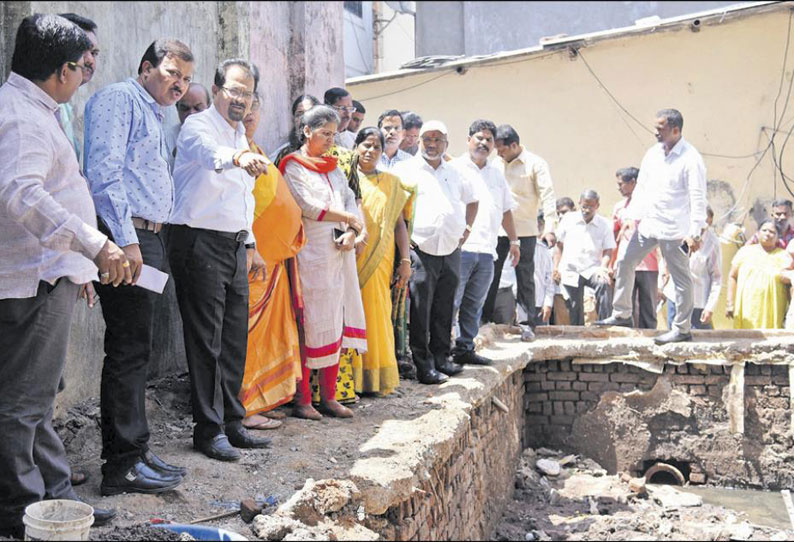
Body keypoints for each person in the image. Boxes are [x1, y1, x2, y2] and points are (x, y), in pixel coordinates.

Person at [0, 14, 125, 536]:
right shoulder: (22, 117)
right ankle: (23, 511)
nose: (86, 73)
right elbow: (23, 195)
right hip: (33, 280)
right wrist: (94, 244)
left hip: (53, 273)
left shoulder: (37, 109)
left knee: (37, 400)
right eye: (83, 65)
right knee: (21, 406)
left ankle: (55, 494)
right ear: (63, 69)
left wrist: (80, 266)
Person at [84, 38, 194, 494]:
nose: (180, 85)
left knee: (139, 348)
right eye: (172, 74)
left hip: (148, 236)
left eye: (186, 79)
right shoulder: (119, 99)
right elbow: (103, 172)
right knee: (128, 350)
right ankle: (121, 466)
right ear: (146, 66)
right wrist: (127, 241)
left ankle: (137, 451)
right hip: (127, 235)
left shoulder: (153, 111)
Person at [169, 59, 271, 461]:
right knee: (206, 341)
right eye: (234, 91)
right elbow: (211, 154)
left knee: (232, 339)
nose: (240, 101)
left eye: (247, 94)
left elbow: (240, 198)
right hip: (198, 240)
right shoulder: (199, 126)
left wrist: (250, 243)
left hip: (233, 244)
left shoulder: (239, 134)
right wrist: (236, 158)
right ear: (216, 90)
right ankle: (208, 431)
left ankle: (232, 421)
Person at [280, 105, 368, 418]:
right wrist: (346, 218)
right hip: (311, 254)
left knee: (335, 320)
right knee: (310, 322)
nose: (330, 139)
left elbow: (349, 199)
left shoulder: (333, 167)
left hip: (339, 251)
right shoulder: (293, 166)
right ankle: (303, 400)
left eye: (333, 134)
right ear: (306, 131)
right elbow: (307, 205)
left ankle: (329, 397)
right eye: (324, 133)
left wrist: (354, 231)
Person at [596, 108, 708, 345]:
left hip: (675, 230)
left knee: (681, 279)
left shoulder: (690, 158)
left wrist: (695, 233)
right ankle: (622, 314)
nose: (656, 133)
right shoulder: (653, 155)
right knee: (625, 262)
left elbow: (698, 198)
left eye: (661, 128)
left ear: (675, 130)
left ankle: (682, 328)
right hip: (649, 225)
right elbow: (642, 189)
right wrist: (630, 217)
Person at [394, 120, 479, 384]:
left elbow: (473, 201)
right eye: (427, 139)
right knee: (421, 310)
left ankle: (443, 359)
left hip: (451, 248)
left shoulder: (455, 171)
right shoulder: (404, 169)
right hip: (420, 248)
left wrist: (465, 230)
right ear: (419, 141)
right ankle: (424, 366)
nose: (432, 144)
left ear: (446, 143)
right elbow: (396, 211)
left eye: (438, 139)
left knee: (445, 307)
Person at [239, 92, 305, 430]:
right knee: (249, 337)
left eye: (255, 109)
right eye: (244, 109)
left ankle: (264, 398)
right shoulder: (235, 153)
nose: (250, 115)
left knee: (269, 336)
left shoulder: (258, 150)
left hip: (273, 263)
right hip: (253, 260)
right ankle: (247, 406)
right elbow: (238, 208)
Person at [348, 127, 414, 394]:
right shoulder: (345, 179)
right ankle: (348, 380)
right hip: (350, 257)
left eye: (376, 146)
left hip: (380, 260)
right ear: (355, 146)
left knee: (376, 314)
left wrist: (406, 260)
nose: (370, 151)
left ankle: (375, 380)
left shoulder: (391, 182)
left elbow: (399, 225)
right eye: (366, 144)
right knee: (352, 314)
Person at [452, 119, 519, 366]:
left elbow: (506, 210)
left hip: (487, 250)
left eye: (489, 140)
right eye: (479, 138)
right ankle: (443, 351)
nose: (483, 143)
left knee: (474, 304)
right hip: (460, 249)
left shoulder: (496, 173)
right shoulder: (454, 168)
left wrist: (514, 241)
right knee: (451, 302)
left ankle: (465, 348)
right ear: (468, 140)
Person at [483, 124, 557, 342]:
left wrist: (550, 226)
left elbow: (548, 194)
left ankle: (527, 325)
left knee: (525, 276)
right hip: (497, 229)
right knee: (490, 274)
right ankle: (484, 321)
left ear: (513, 145)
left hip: (524, 230)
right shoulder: (494, 164)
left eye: (502, 149)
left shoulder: (535, 164)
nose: (498, 153)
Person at [553, 190, 615, 326]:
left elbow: (608, 249)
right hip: (571, 269)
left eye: (590, 207)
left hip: (593, 269)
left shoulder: (605, 224)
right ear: (579, 203)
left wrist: (603, 268)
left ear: (597, 206)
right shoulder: (568, 220)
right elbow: (559, 245)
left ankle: (605, 324)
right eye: (584, 206)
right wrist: (556, 267)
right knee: (575, 306)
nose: (586, 210)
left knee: (603, 283)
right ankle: (577, 333)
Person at [610, 166, 660, 329]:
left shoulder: (650, 206)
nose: (618, 188)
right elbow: (614, 238)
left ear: (633, 183)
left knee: (648, 309)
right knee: (624, 310)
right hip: (625, 264)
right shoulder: (619, 207)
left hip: (649, 264)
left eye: (621, 184)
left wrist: (664, 266)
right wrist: (612, 264)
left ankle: (650, 345)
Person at [726, 219, 793, 329]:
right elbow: (732, 276)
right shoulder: (745, 252)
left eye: (772, 232)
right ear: (757, 233)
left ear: (778, 237)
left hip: (773, 311)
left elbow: (790, 283)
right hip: (747, 310)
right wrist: (730, 303)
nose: (768, 234)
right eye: (764, 230)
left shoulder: (784, 256)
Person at [664, 206, 721, 330]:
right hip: (675, 297)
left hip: (697, 302)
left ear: (709, 222)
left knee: (700, 343)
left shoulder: (712, 243)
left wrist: (710, 307)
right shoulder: (680, 233)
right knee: (674, 341)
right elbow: (667, 258)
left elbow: (717, 277)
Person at [56, 13, 99, 164]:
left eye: (94, 53)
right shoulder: (36, 105)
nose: (90, 60)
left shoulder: (65, 106)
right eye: (83, 50)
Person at [272, 94, 320, 161]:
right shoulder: (284, 155)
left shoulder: (332, 152)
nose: (304, 118)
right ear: (294, 119)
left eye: (309, 113)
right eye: (299, 114)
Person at [551, 197, 575, 325]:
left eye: (564, 212)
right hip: (560, 284)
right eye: (558, 213)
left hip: (580, 283)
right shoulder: (555, 231)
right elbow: (558, 250)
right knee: (563, 326)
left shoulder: (582, 229)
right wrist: (556, 268)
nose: (561, 216)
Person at [534, 213, 555, 326]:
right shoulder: (515, 246)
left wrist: (548, 303)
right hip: (519, 304)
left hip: (539, 304)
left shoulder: (544, 250)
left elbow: (549, 280)